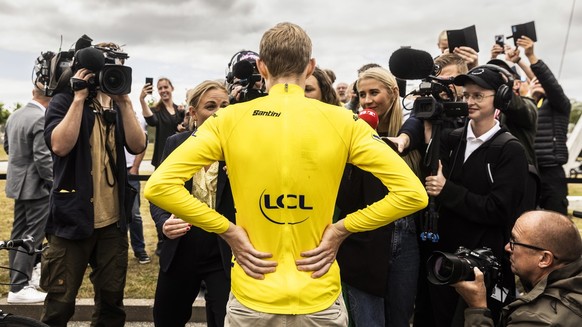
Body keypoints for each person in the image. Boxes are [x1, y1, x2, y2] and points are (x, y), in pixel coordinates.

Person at [145, 22, 428, 326]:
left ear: (261, 66)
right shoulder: (344, 121)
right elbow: (413, 194)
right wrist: (341, 229)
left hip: (254, 291)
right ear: (310, 67)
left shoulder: (228, 119)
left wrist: (227, 231)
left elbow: (159, 186)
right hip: (317, 293)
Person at [41, 42, 147, 326]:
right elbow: (60, 146)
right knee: (59, 305)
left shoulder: (117, 104)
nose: (109, 74)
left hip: (112, 224)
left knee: (112, 305)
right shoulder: (64, 102)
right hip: (71, 220)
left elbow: (138, 145)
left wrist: (125, 102)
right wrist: (78, 98)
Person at [417, 65, 530, 326]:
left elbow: (498, 210)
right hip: (443, 258)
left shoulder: (510, 149)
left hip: (484, 263)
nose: (469, 101)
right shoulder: (450, 139)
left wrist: (447, 191)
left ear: (499, 99)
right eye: (466, 95)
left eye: (478, 95)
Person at [336, 67, 424, 327]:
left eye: (374, 92)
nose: (367, 100)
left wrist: (402, 141)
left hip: (405, 237)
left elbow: (417, 119)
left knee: (400, 319)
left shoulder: (412, 132)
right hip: (364, 237)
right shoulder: (352, 130)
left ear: (394, 92)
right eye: (362, 94)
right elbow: (345, 197)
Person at [150, 81, 233, 327]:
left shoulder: (238, 148)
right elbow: (158, 194)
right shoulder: (176, 144)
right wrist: (164, 222)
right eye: (211, 106)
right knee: (166, 319)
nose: (219, 112)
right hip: (182, 246)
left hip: (222, 249)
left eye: (225, 105)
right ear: (194, 113)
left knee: (224, 320)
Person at [453, 210, 582, 326]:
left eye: (514, 242)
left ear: (544, 259)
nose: (507, 247)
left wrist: (477, 309)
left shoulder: (535, 319)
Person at [4, 83, 52, 303]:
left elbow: (7, 147)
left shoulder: (15, 115)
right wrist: (54, 182)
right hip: (36, 186)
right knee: (32, 236)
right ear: (49, 97)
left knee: (18, 236)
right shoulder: (41, 118)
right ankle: (20, 287)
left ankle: (17, 282)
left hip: (17, 184)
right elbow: (43, 158)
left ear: (34, 93)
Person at [520, 36, 571, 215]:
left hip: (551, 171)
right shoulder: (528, 106)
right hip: (530, 170)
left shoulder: (559, 105)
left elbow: (549, 83)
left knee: (556, 219)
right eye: (532, 81)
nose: (537, 83)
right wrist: (518, 61)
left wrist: (530, 57)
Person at [140, 77, 185, 255]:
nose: (163, 90)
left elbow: (185, 125)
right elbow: (151, 121)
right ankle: (162, 238)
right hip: (162, 159)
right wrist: (142, 100)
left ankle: (180, 233)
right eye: (160, 88)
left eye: (166, 87)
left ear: (172, 88)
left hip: (180, 158)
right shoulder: (157, 110)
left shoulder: (179, 109)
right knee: (161, 201)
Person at [124, 112, 151, 264]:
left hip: (129, 171)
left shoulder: (133, 116)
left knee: (134, 214)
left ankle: (139, 250)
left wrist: (135, 167)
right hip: (111, 170)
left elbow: (143, 143)